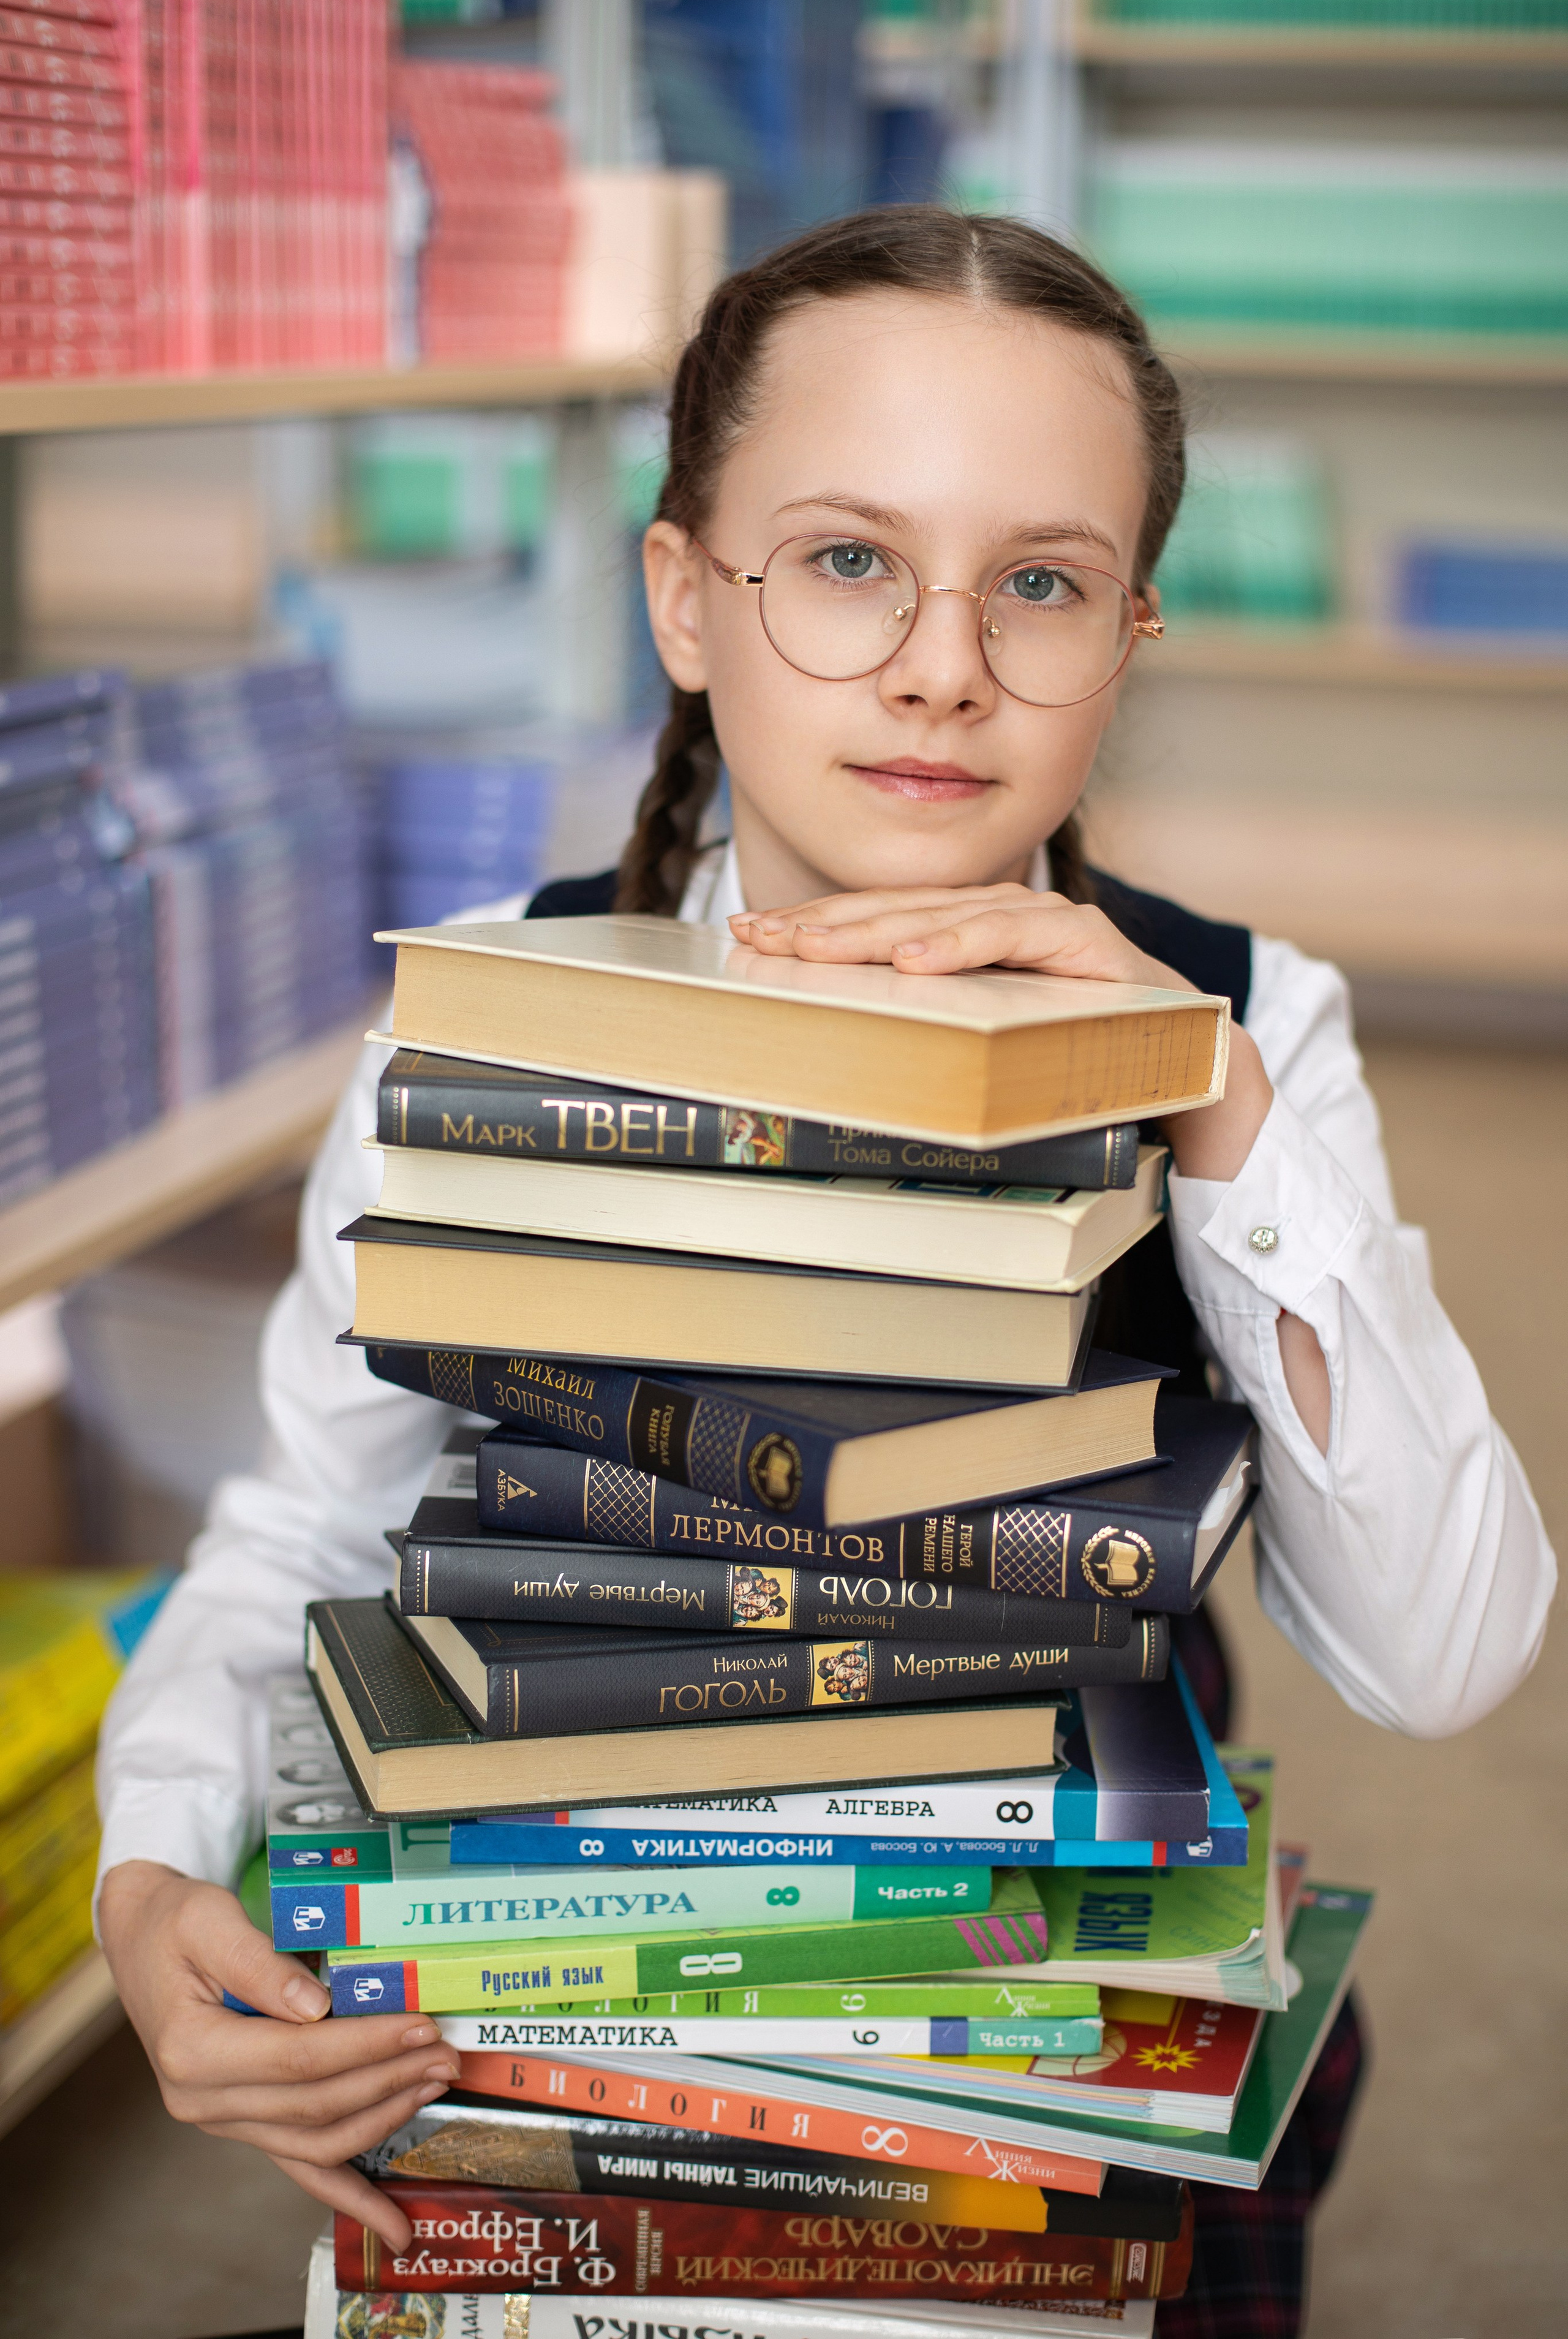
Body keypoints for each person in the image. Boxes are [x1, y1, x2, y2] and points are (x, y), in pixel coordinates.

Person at [95, 208, 1555, 2327]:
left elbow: (1442, 1655)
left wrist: (1207, 1101)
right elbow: (307, 1519)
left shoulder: (1253, 1026)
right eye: (851, 559)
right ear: (685, 598)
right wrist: (152, 1866)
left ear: (1128, 638)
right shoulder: (483, 1011)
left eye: (1038, 582)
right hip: (575, 2061)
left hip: (1025, 2073)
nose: (944, 664)